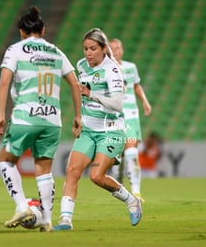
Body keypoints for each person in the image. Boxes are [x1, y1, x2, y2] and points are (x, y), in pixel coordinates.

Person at [0, 6, 82, 232]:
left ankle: (22, 206)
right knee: (44, 170)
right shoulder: (56, 52)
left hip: (26, 116)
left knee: (6, 160)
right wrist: (78, 116)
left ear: (21, 32)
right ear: (43, 30)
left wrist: (1, 115)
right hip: (52, 120)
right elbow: (74, 84)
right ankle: (46, 220)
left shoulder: (15, 49)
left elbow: (4, 82)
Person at [53, 28, 142, 231]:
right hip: (88, 130)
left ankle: (131, 200)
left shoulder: (113, 70)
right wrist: (78, 118)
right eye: (85, 48)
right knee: (72, 171)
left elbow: (119, 104)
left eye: (93, 48)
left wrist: (92, 94)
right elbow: (79, 91)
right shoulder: (81, 65)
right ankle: (65, 220)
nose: (88, 53)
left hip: (111, 130)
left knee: (96, 176)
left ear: (103, 49)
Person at [108, 38, 152, 202]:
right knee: (116, 157)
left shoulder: (130, 67)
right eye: (112, 49)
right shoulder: (106, 69)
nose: (116, 51)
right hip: (114, 116)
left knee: (132, 152)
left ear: (122, 50)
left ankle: (136, 192)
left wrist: (145, 101)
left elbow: (136, 86)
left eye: (118, 48)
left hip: (131, 115)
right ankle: (119, 188)